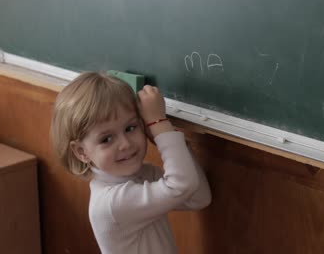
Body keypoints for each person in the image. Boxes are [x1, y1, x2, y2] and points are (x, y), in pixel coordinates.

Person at [50, 72, 211, 254]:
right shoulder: (112, 204)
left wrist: (169, 137)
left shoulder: (143, 175)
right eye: (106, 139)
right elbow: (183, 185)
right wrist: (160, 125)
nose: (125, 144)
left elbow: (198, 197)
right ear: (81, 152)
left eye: (130, 128)